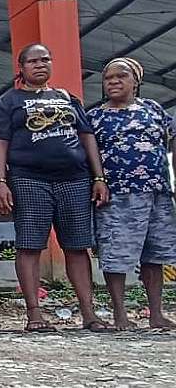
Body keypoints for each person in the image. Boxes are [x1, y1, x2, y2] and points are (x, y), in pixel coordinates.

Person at [0, 43, 111, 333]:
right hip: (29, 178)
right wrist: (0, 182)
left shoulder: (68, 98)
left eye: (45, 59)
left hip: (75, 178)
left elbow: (87, 137)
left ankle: (89, 314)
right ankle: (34, 315)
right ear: (21, 68)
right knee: (29, 245)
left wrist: (99, 177)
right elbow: (0, 143)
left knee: (78, 246)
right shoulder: (9, 101)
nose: (40, 64)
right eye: (33, 61)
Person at [87, 57, 176, 330]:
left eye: (120, 76)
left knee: (155, 255)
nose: (113, 81)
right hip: (117, 194)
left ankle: (156, 313)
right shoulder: (96, 117)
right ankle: (120, 314)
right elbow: (88, 156)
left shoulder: (154, 110)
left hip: (157, 193)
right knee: (116, 255)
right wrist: (98, 180)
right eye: (108, 78)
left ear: (135, 81)